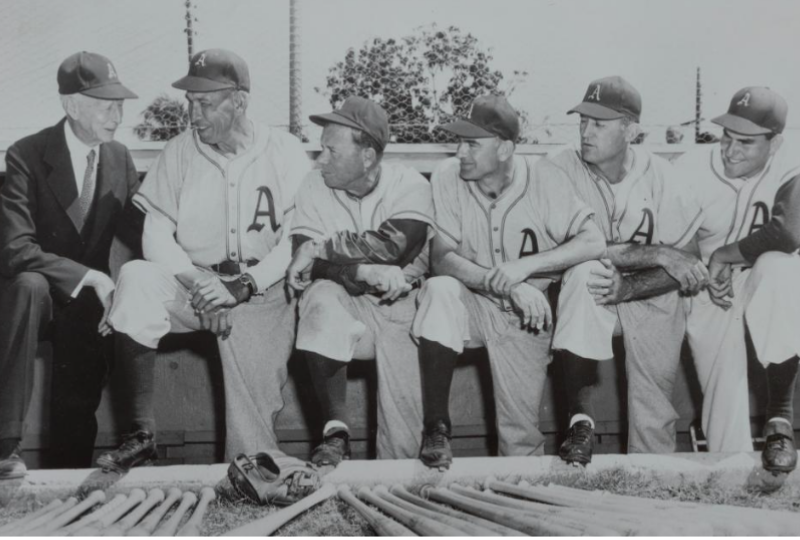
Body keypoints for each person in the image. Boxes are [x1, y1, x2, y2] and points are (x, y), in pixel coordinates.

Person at [97, 49, 310, 472]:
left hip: (260, 293)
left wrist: (241, 287)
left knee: (249, 453)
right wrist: (200, 287)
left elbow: (299, 238)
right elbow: (154, 231)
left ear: (240, 102)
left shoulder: (285, 151)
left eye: (205, 103)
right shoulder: (179, 151)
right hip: (194, 284)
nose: (193, 113)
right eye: (190, 102)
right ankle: (140, 434)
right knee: (137, 278)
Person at [411, 95, 606, 470]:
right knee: (439, 291)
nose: (460, 151)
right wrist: (506, 282)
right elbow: (441, 259)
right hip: (475, 304)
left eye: (472, 143)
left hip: (527, 317)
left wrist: (526, 268)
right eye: (460, 141)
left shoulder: (545, 177)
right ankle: (436, 427)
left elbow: (594, 240)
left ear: (504, 148)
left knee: (519, 437)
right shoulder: (448, 176)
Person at [549, 76, 707, 465]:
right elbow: (570, 251)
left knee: (653, 407)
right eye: (583, 121)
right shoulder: (558, 168)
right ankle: (580, 422)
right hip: (587, 293)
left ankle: (651, 478)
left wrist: (631, 288)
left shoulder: (662, 176)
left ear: (631, 130)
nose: (586, 132)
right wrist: (657, 253)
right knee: (585, 273)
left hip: (647, 296)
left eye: (599, 124)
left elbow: (685, 261)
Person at [0, 51, 141, 475]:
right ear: (71, 105)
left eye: (120, 105)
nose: (116, 116)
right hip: (33, 296)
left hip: (84, 307)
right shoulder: (25, 154)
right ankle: (5, 447)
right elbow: (15, 249)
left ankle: (71, 473)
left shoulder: (119, 158)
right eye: (105, 105)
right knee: (30, 285)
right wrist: (91, 277)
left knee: (83, 367)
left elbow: (142, 231)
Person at [285, 96, 434, 466]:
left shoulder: (409, 183)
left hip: (403, 309)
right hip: (346, 304)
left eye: (331, 151)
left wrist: (324, 247)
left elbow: (390, 248)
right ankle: (335, 432)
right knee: (319, 297)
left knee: (402, 448)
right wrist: (359, 271)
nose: (320, 160)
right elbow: (306, 266)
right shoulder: (313, 184)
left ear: (367, 156)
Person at [675, 87, 800, 473]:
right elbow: (673, 240)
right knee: (721, 388)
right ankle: (729, 475)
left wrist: (725, 255)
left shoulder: (791, 161)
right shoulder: (690, 168)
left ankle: (779, 417)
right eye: (727, 137)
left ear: (775, 142)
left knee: (780, 267)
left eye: (745, 142)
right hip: (704, 281)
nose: (730, 150)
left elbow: (789, 232)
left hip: (763, 275)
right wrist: (707, 264)